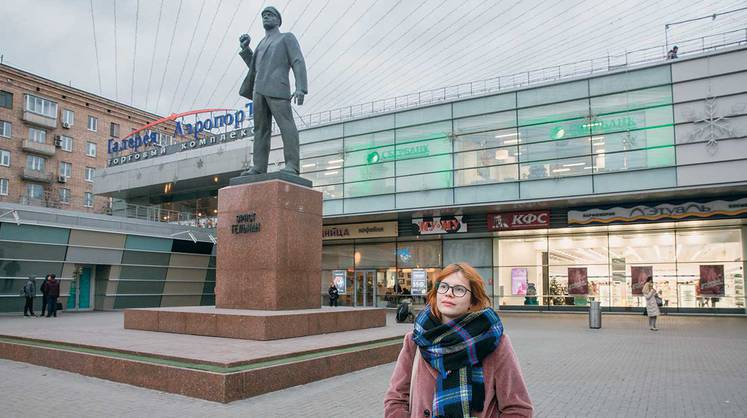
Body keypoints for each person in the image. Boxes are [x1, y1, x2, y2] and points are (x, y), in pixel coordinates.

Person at [384, 263, 533, 417]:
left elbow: (517, 408)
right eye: (444, 287)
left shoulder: (494, 342)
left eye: (459, 289)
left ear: (473, 301)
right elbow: (396, 398)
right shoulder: (416, 340)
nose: (449, 293)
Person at [238, 6, 308, 175]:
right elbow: (255, 69)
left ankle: (292, 165)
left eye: (270, 15)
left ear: (278, 20)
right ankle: (259, 167)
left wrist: (301, 88)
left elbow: (298, 61)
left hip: (278, 88)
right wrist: (246, 49)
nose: (266, 17)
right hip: (258, 90)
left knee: (286, 125)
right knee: (260, 130)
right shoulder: (261, 44)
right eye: (264, 16)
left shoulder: (286, 38)